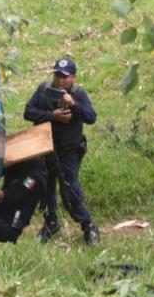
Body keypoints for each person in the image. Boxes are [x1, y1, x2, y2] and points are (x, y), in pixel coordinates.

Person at [23, 57, 100, 246]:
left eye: (64, 76)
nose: (60, 79)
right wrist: (52, 116)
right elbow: (28, 112)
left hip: (69, 151)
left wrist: (73, 104)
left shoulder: (78, 94)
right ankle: (50, 223)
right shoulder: (43, 91)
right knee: (44, 187)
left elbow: (91, 117)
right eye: (57, 75)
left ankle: (88, 225)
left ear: (73, 77)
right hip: (46, 148)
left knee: (69, 189)